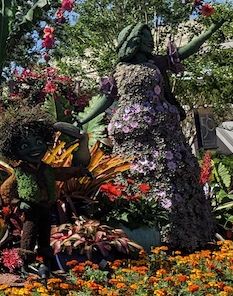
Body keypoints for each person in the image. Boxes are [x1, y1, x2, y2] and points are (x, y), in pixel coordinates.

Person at [80, 20, 222, 252]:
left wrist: (209, 31)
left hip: (162, 134)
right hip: (131, 134)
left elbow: (185, 52)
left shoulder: (155, 63)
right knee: (133, 180)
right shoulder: (117, 70)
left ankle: (178, 233)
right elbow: (106, 99)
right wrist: (83, 120)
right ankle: (137, 231)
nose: (150, 41)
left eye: (150, 36)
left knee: (172, 178)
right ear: (133, 41)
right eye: (145, 37)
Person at [0, 104, 90, 280]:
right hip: (31, 210)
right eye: (25, 145)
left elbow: (62, 173)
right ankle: (25, 266)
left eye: (38, 142)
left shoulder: (47, 169)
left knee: (45, 237)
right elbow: (5, 191)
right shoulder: (20, 172)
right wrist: (19, 203)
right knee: (28, 237)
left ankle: (46, 265)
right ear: (14, 150)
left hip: (45, 208)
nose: (34, 148)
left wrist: (80, 171)